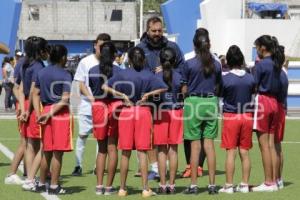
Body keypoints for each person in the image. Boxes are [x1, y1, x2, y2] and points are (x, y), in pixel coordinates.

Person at [102, 47, 167, 197]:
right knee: (142, 152)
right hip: (143, 111)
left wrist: (122, 95)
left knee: (125, 152)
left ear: (129, 60)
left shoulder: (121, 73)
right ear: (143, 59)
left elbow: (104, 86)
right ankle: (145, 188)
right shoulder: (149, 75)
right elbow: (164, 88)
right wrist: (148, 94)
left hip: (126, 112)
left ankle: (122, 188)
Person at [137, 16, 186, 180]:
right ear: (147, 30)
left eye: (160, 30)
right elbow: (137, 73)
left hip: (170, 101)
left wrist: (168, 70)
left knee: (168, 141)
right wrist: (153, 76)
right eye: (154, 31)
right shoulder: (140, 48)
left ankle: (165, 172)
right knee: (150, 135)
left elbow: (182, 69)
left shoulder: (173, 47)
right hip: (149, 98)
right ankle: (154, 167)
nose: (157, 33)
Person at [182, 28, 221, 195]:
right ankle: (212, 186)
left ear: (194, 45)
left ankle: (193, 186)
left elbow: (183, 88)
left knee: (195, 146)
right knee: (209, 146)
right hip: (211, 102)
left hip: (193, 102)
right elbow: (219, 86)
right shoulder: (217, 64)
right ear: (209, 43)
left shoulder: (189, 64)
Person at [32, 44, 73, 194]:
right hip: (59, 113)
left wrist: (38, 113)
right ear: (63, 57)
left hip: (46, 110)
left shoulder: (41, 72)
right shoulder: (65, 74)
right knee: (57, 152)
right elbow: (64, 99)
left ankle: (42, 183)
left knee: (46, 151)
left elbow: (35, 93)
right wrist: (50, 114)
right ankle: (55, 185)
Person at [72, 33, 111, 176]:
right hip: (86, 105)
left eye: (106, 46)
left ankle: (97, 167)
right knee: (82, 135)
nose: (102, 49)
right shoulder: (85, 62)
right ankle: (78, 165)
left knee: (101, 138)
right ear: (95, 45)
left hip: (104, 107)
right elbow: (80, 82)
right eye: (100, 46)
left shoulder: (113, 63)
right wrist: (91, 98)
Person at [218, 45, 255, 194]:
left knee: (231, 152)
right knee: (245, 152)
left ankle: (229, 185)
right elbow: (253, 99)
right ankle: (245, 184)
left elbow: (220, 101)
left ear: (228, 60)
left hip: (231, 116)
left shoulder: (224, 78)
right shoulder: (250, 78)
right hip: (247, 116)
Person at [88, 42, 123, 195]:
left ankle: (99, 185)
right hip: (115, 105)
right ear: (114, 54)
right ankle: (109, 187)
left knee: (101, 149)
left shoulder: (92, 70)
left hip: (98, 106)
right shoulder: (119, 71)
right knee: (112, 147)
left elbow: (92, 88)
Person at [252, 35, 285, 192]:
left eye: (257, 47)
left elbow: (254, 85)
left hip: (263, 102)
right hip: (274, 103)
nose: (256, 50)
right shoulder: (276, 63)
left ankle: (268, 182)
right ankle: (274, 181)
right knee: (272, 144)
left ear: (262, 48)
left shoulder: (260, 65)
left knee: (264, 145)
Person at [19, 36, 49, 191]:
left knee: (31, 145)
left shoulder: (25, 64)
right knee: (42, 145)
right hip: (35, 106)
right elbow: (33, 91)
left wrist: (24, 110)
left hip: (27, 105)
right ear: (40, 51)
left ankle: (30, 178)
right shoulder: (38, 66)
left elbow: (22, 86)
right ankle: (32, 178)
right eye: (45, 49)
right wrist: (30, 110)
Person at [153, 47, 183, 194]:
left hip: (160, 113)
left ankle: (162, 185)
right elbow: (184, 93)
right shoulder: (179, 75)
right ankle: (172, 185)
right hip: (176, 112)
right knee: (173, 150)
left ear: (160, 59)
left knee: (161, 150)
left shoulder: (156, 76)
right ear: (175, 60)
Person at [274, 46, 289, 190]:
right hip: (282, 109)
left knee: (274, 146)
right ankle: (278, 178)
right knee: (277, 146)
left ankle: (275, 179)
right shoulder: (284, 72)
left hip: (277, 109)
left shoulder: (278, 73)